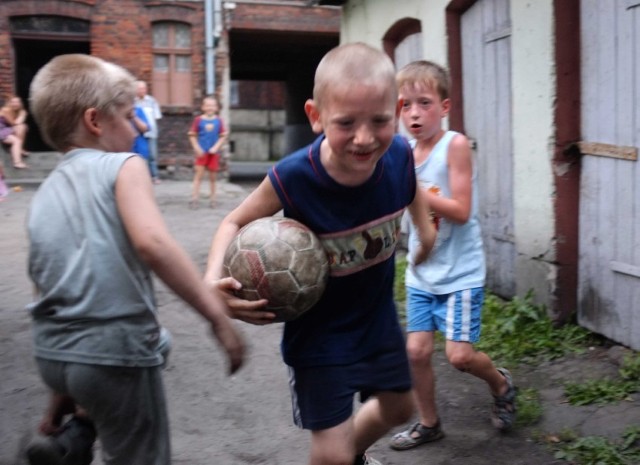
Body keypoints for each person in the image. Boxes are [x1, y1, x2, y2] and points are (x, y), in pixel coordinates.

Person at [204, 43, 437, 465]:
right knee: (328, 454)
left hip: (377, 320)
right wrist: (211, 282)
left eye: (380, 121)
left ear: (398, 110)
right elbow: (232, 222)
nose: (365, 138)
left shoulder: (398, 154)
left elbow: (411, 188)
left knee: (400, 408)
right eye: (346, 122)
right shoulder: (294, 177)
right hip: (319, 338)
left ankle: (355, 455)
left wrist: (424, 230)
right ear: (315, 116)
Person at [24, 54, 245, 465]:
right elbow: (153, 244)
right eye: (129, 116)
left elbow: (50, 288)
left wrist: (62, 391)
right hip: (113, 352)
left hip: (53, 354)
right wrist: (217, 317)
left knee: (158, 341)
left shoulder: (44, 195)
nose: (137, 127)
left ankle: (74, 434)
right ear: (95, 121)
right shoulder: (124, 165)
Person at [388, 60, 516, 452]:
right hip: (421, 270)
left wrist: (411, 191)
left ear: (443, 107)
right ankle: (429, 423)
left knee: (459, 356)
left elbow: (460, 209)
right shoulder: (401, 151)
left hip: (460, 272)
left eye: (423, 103)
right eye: (405, 104)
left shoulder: (453, 145)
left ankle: (501, 384)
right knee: (416, 351)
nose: (413, 113)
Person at [188, 95, 228, 209]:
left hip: (214, 154)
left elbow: (223, 136)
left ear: (216, 108)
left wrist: (216, 147)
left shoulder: (219, 121)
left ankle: (213, 199)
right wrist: (197, 148)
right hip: (201, 153)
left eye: (212, 105)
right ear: (203, 107)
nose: (210, 107)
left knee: (213, 178)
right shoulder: (198, 120)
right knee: (198, 176)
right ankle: (194, 199)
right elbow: (192, 135)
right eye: (207, 105)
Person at [135, 81, 162, 183]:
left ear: (146, 89)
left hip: (151, 132)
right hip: (138, 133)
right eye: (139, 88)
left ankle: (154, 176)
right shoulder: (133, 102)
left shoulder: (152, 101)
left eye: (143, 88)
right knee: (139, 156)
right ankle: (142, 177)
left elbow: (156, 116)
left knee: (152, 155)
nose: (142, 90)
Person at [0, 95, 29, 168]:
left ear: (20, 103)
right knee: (16, 141)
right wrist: (22, 115)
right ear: (9, 103)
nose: (15, 104)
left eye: (17, 102)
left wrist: (22, 114)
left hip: (7, 129)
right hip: (1, 129)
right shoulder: (5, 110)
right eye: (13, 102)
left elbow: (19, 122)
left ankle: (19, 149)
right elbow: (13, 123)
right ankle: (17, 162)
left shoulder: (21, 111)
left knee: (22, 127)